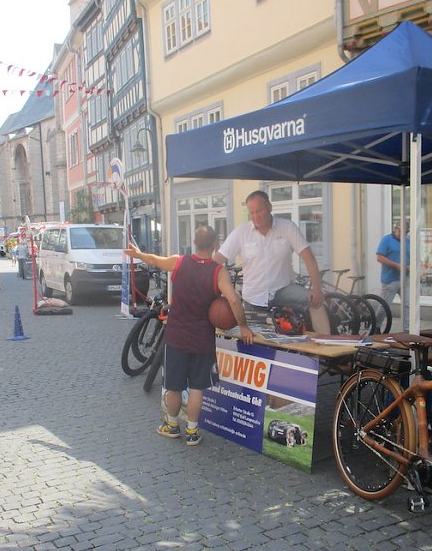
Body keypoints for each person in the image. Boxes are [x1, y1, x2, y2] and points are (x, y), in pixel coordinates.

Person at [124, 226, 254, 446]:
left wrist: (138, 255)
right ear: (215, 245)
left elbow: (156, 260)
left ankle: (172, 426)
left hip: (176, 337)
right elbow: (233, 300)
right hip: (202, 338)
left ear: (194, 242)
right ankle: (193, 432)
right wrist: (243, 327)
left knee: (173, 386)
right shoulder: (218, 271)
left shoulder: (179, 262)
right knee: (196, 388)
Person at [214, 190, 329, 334]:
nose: (255, 216)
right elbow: (218, 260)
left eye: (259, 211)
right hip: (254, 297)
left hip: (283, 290)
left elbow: (309, 258)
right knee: (257, 343)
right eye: (252, 212)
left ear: (269, 207)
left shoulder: (287, 227)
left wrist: (317, 288)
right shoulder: (241, 233)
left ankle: (326, 349)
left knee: (316, 302)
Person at [376, 223, 410, 331]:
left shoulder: (408, 242)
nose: (402, 235)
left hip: (405, 278)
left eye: (405, 232)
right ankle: (376, 326)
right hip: (390, 279)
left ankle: (407, 329)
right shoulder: (386, 240)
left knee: (407, 304)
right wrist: (396, 265)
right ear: (395, 229)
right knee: (384, 305)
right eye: (400, 232)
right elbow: (380, 258)